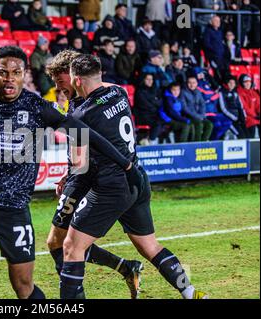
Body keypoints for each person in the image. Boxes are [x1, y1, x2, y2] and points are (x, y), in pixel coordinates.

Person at [0, 46, 144, 299]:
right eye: (2, 72)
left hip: (13, 208)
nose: (9, 78)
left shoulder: (37, 107)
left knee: (23, 286)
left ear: (24, 74)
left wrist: (126, 164)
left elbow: (86, 134)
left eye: (16, 72)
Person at [59, 55, 207, 299]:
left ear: (75, 80)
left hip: (110, 187)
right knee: (150, 246)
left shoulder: (80, 116)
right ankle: (191, 293)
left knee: (71, 247)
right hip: (137, 179)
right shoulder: (118, 92)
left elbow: (78, 163)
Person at [46, 50, 145, 299]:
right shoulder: (85, 99)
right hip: (83, 175)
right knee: (58, 242)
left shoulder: (83, 105)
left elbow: (82, 154)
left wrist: (71, 175)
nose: (59, 88)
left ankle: (73, 295)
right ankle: (126, 267)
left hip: (88, 178)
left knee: (65, 244)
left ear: (74, 76)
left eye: (61, 82)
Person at [180, 76, 214, 141]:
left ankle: (203, 143)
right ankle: (197, 144)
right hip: (188, 117)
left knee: (209, 124)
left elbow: (202, 104)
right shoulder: (183, 92)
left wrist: (202, 115)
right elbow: (184, 108)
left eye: (193, 83)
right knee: (199, 124)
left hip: (199, 116)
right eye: (189, 83)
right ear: (186, 83)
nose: (192, 85)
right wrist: (197, 116)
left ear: (196, 84)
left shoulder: (198, 92)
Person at [134, 73, 163, 145]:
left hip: (153, 114)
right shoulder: (139, 91)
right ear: (143, 80)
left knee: (164, 121)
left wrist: (153, 101)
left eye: (151, 79)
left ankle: (149, 139)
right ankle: (151, 141)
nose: (150, 81)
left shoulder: (155, 89)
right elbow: (144, 105)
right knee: (157, 122)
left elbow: (160, 102)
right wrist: (154, 101)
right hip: (142, 115)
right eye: (148, 79)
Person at [203, 16, 228, 82]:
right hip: (213, 56)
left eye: (219, 21)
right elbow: (207, 44)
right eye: (216, 21)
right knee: (216, 73)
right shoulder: (208, 31)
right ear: (211, 22)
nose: (218, 22)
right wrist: (214, 51)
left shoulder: (220, 31)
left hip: (222, 57)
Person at [237, 74, 260, 138]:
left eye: (249, 82)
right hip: (246, 117)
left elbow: (258, 105)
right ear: (242, 83)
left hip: (255, 117)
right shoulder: (239, 93)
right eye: (245, 82)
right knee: (252, 124)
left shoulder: (254, 92)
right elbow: (244, 107)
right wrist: (255, 116)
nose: (248, 84)